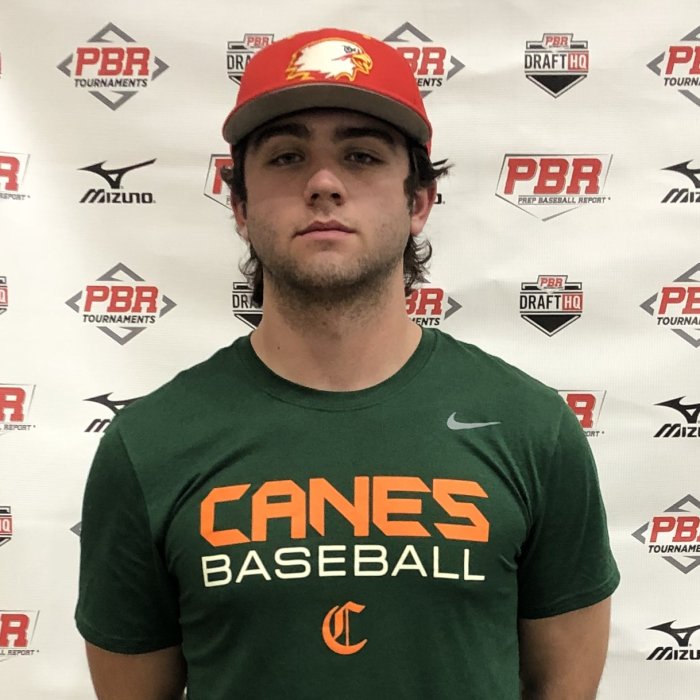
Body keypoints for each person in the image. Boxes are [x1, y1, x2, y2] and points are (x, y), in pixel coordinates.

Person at [76, 27, 619, 700]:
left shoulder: (530, 427)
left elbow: (564, 685)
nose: (324, 184)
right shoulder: (149, 446)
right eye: (286, 157)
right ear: (240, 205)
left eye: (361, 156)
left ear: (418, 202)